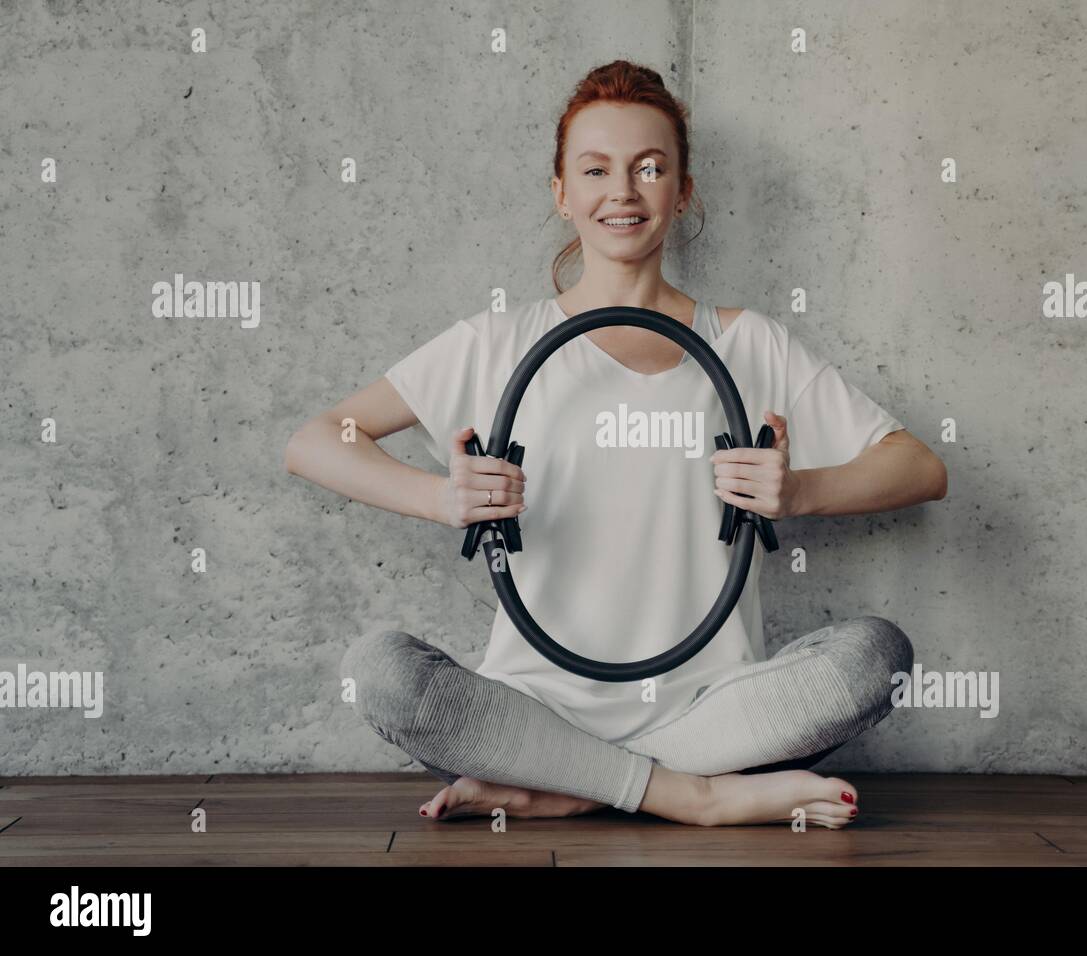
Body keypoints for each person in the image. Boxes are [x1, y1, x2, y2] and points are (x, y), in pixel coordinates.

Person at [284, 60, 947, 828]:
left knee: (875, 656)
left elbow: (921, 467)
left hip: (708, 715)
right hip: (530, 713)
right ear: (562, 191)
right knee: (384, 675)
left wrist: (799, 491)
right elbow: (315, 440)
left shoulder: (750, 343)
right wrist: (438, 497)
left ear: (682, 190)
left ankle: (583, 785)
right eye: (595, 169)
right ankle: (688, 797)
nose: (623, 192)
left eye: (650, 168)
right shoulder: (497, 343)